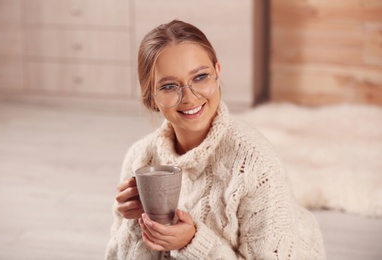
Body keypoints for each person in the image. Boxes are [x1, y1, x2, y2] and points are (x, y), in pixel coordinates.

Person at [105, 19, 326, 259]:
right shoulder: (140, 159)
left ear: (217, 73)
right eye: (169, 86)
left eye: (200, 77)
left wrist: (192, 243)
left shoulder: (254, 162)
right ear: (150, 97)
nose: (189, 97)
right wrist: (132, 221)